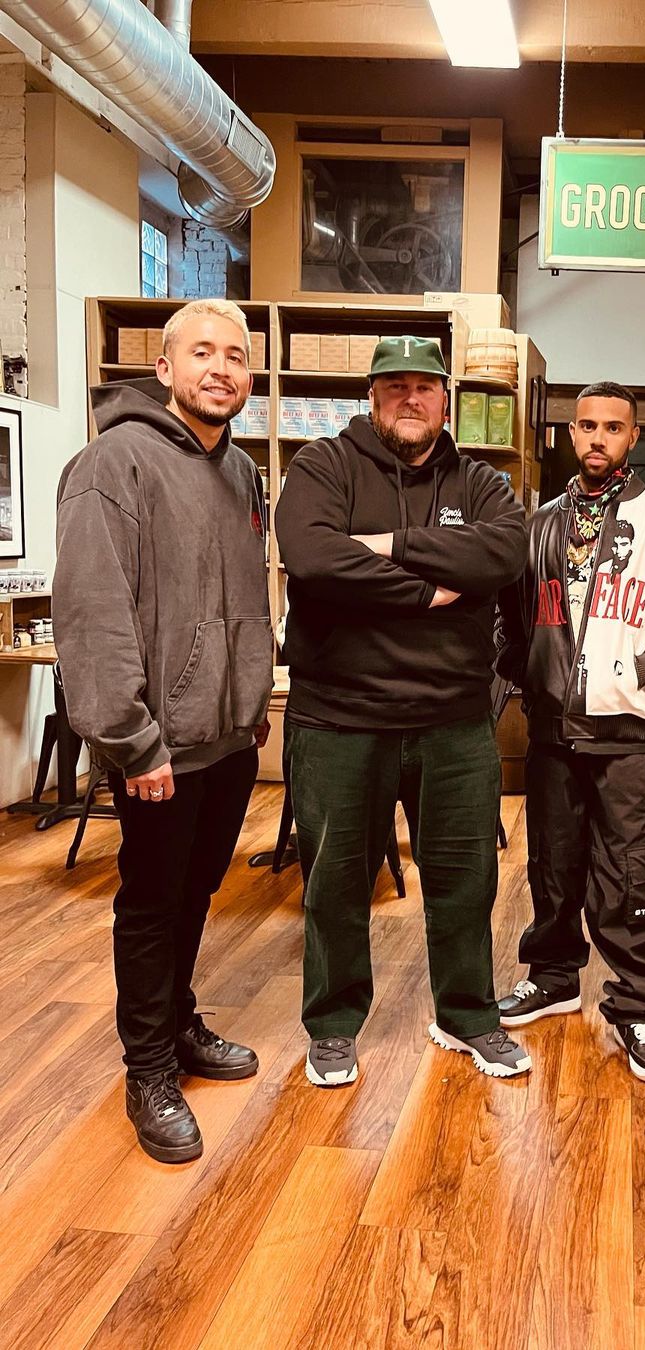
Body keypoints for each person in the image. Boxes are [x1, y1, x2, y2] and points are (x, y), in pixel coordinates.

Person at [275, 336, 530, 1087]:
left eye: (424, 386)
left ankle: (467, 1016)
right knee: (335, 883)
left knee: (465, 880)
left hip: (454, 721)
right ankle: (332, 1025)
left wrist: (384, 546)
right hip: (339, 717)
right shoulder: (323, 465)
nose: (409, 399)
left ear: (446, 399)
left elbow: (501, 556)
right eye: (395, 386)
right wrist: (425, 590)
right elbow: (313, 559)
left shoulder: (481, 482)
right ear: (372, 396)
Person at [53, 299, 273, 1164]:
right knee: (151, 903)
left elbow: (244, 599)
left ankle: (179, 1023)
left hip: (228, 738)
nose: (222, 369)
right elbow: (93, 613)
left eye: (237, 356)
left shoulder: (241, 471)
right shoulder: (112, 463)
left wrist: (249, 700)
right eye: (203, 353)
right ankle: (147, 1070)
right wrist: (132, 740)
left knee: (196, 893)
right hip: (158, 746)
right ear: (166, 368)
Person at [496, 381, 645, 1084]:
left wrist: (644, 670)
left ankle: (640, 1005)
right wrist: (524, 678)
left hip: (627, 731)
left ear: (633, 436)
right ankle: (553, 975)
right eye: (587, 425)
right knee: (552, 863)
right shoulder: (537, 526)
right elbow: (512, 619)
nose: (598, 438)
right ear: (571, 434)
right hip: (551, 729)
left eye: (613, 427)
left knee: (631, 871)